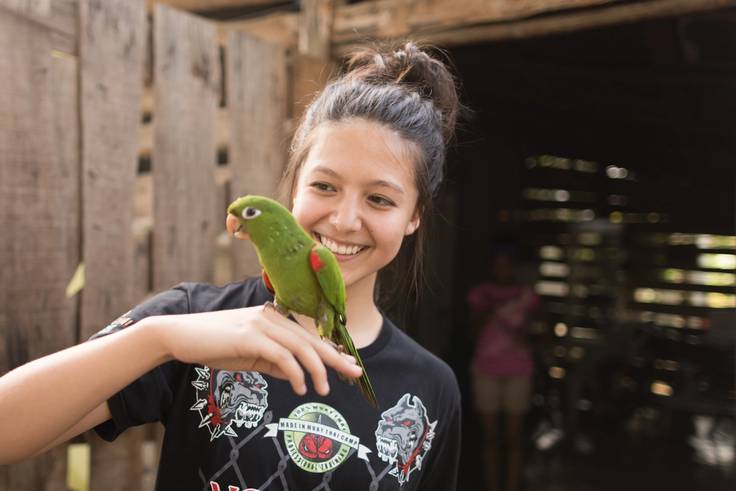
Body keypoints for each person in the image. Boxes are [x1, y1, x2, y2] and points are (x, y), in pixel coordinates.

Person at [0, 42, 462, 490]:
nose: (344, 220)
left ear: (414, 216)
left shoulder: (432, 390)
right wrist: (159, 338)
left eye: (379, 199)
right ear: (294, 188)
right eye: (324, 186)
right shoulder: (193, 322)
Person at [468, 247, 538, 491]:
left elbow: (540, 331)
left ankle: (511, 486)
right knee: (491, 438)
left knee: (514, 438)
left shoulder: (527, 296)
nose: (502, 269)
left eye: (507, 264)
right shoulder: (480, 295)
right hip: (486, 369)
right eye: (498, 264)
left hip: (519, 369)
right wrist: (491, 312)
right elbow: (473, 331)